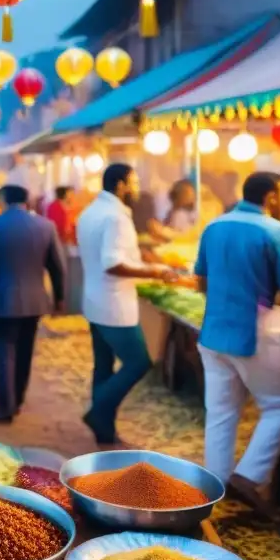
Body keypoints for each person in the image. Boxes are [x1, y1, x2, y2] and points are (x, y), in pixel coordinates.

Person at [194, 172, 280, 517]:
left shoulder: (214, 226)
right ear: (271, 197)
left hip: (213, 332)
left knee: (221, 412)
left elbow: (200, 281)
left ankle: (213, 487)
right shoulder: (277, 231)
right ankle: (250, 476)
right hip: (256, 331)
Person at [77, 164, 178, 448]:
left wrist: (144, 261)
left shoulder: (91, 212)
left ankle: (104, 431)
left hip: (95, 300)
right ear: (120, 185)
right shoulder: (115, 218)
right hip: (114, 304)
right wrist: (155, 271)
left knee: (104, 367)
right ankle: (98, 415)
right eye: (133, 182)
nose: (136, 188)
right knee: (138, 363)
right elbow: (113, 263)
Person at [0, 185, 66, 423]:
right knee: (25, 351)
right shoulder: (45, 226)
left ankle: (5, 407)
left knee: (3, 352)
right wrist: (60, 299)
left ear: (3, 200)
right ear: (27, 199)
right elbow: (58, 267)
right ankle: (19, 399)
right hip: (34, 301)